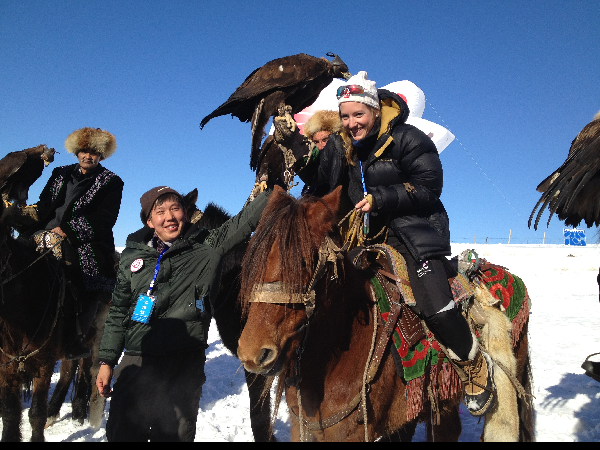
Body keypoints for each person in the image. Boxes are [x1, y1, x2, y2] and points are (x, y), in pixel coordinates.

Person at [284, 71, 495, 416]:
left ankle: (473, 366)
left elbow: (429, 184)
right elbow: (322, 180)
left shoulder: (407, 138)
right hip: (364, 238)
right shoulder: (342, 144)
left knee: (435, 307)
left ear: (375, 110)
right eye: (346, 116)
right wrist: (294, 143)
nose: (352, 123)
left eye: (359, 114)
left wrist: (381, 199)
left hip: (413, 234)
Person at [95, 185, 271, 442]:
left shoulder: (207, 247)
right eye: (161, 211)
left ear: (185, 214)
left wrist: (274, 186)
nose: (169, 216)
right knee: (124, 433)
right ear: (149, 220)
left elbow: (244, 222)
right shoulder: (132, 256)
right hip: (137, 360)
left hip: (182, 366)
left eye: (175, 208)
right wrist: (107, 361)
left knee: (175, 436)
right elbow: (119, 311)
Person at [26, 127, 123, 360]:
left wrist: (67, 230)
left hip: (85, 242)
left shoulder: (111, 182)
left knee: (87, 280)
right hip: (45, 233)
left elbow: (105, 219)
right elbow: (44, 204)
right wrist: (26, 215)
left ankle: (75, 338)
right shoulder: (59, 173)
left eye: (94, 152)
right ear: (76, 151)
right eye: (84, 151)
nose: (88, 156)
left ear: (101, 155)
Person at [300, 110, 342, 196]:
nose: (320, 146)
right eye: (316, 142)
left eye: (325, 140)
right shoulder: (311, 178)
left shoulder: (347, 168)